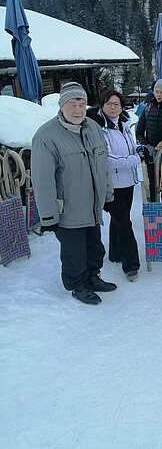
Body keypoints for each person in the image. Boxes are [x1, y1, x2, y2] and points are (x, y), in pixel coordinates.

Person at [31, 82, 115, 305]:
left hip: (92, 204)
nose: (78, 110)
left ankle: (93, 277)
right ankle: (78, 285)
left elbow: (103, 165)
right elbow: (42, 180)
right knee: (74, 253)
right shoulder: (46, 136)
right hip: (68, 208)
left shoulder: (93, 128)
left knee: (94, 246)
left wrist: (107, 195)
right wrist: (48, 215)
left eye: (82, 103)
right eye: (72, 104)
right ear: (61, 106)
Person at [87, 91, 142, 282]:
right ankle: (131, 265)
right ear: (102, 105)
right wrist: (136, 159)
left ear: (121, 106)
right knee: (125, 223)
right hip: (112, 184)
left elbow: (130, 147)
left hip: (128, 182)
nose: (112, 107)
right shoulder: (99, 128)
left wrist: (138, 149)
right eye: (109, 104)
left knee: (120, 219)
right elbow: (108, 159)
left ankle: (115, 253)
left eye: (116, 104)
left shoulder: (124, 125)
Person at [135, 79, 162, 202]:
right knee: (153, 184)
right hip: (151, 153)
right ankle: (154, 213)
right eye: (157, 91)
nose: (159, 95)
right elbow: (139, 132)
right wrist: (148, 146)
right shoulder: (146, 110)